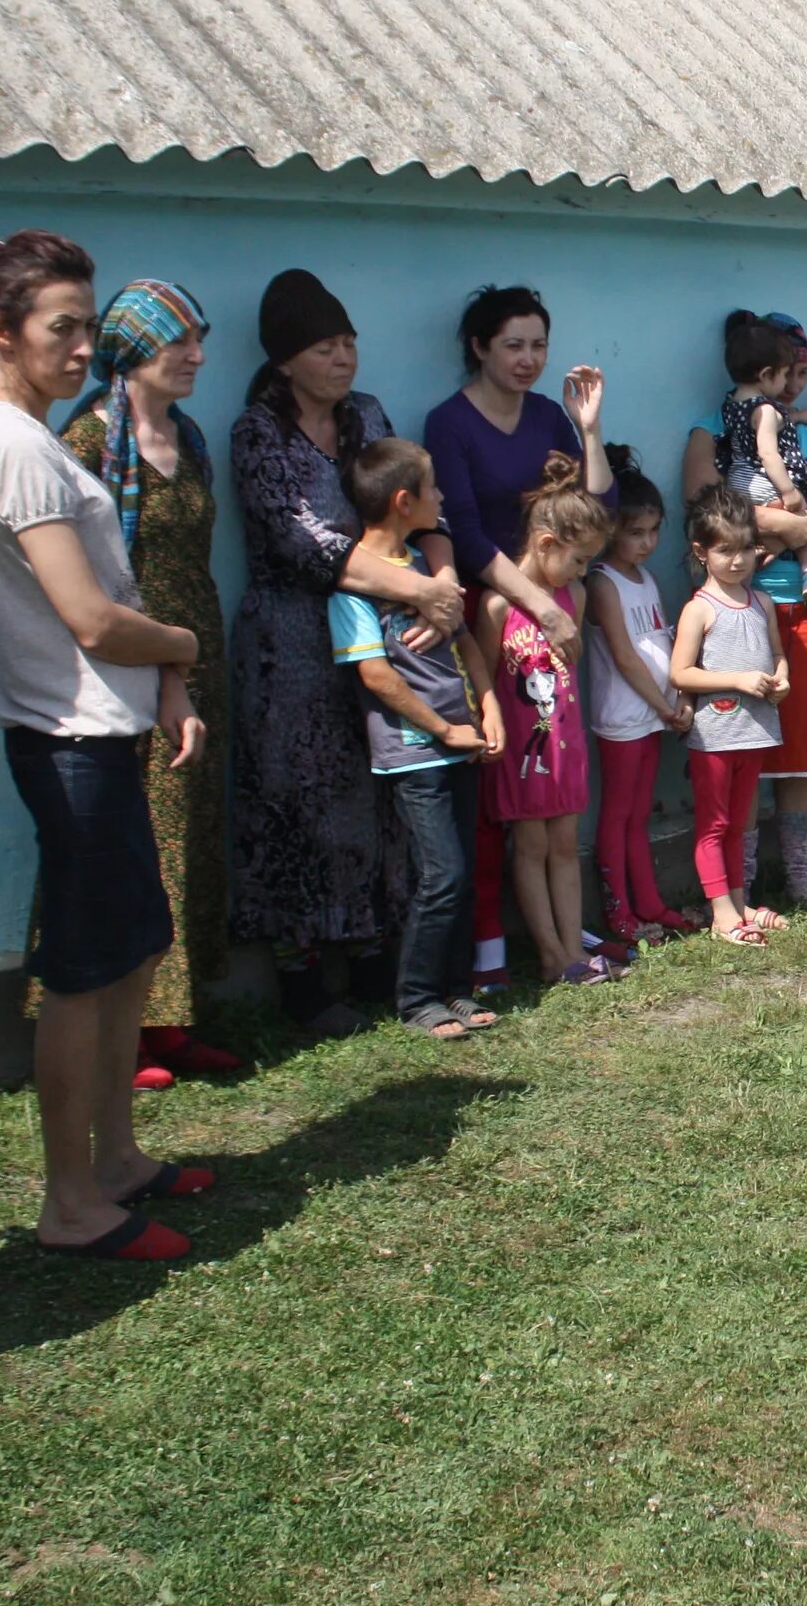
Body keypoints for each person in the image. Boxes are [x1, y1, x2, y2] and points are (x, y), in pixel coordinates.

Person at [0, 228, 210, 1264]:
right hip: (68, 738)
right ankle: (71, 1198)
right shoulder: (11, 446)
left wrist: (168, 679)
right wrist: (182, 644)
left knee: (134, 946)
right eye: (64, 326)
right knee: (87, 969)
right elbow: (94, 617)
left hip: (108, 726)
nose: (82, 344)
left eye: (89, 324)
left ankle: (118, 1157)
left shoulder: (42, 440)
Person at [231, 268, 464, 1037]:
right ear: (286, 359)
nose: (343, 358)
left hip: (385, 625)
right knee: (299, 800)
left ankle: (373, 959)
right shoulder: (258, 432)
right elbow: (304, 542)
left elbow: (416, 498)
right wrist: (421, 594)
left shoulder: (367, 415)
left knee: (377, 799)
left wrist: (443, 578)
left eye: (349, 342)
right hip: (291, 642)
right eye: (325, 346)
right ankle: (302, 977)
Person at [55, 279, 240, 1088]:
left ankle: (172, 1017)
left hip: (198, 655)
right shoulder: (88, 442)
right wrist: (160, 663)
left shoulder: (187, 435)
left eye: (199, 339)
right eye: (180, 343)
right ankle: (121, 1033)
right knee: (136, 846)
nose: (197, 356)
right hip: (124, 667)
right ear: (132, 351)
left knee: (191, 833)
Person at [418, 286, 612, 990]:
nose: (528, 359)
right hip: (494, 607)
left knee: (552, 811)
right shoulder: (449, 423)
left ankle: (562, 939)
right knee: (497, 802)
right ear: (478, 346)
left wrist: (588, 431)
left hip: (551, 604)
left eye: (538, 345)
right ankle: (494, 944)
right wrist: (533, 600)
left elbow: (595, 510)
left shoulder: (547, 418)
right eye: (512, 345)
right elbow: (462, 531)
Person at [681, 312, 807, 908]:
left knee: (805, 753)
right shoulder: (711, 429)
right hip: (741, 606)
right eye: (787, 372)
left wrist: (787, 527)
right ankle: (743, 880)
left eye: (803, 372)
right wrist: (792, 523)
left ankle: (800, 873)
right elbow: (705, 502)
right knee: (741, 751)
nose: (794, 384)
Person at [331, 439, 503, 1040]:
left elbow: (466, 644)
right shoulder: (356, 587)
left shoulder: (427, 569)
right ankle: (417, 999)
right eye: (434, 489)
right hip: (415, 752)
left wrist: (488, 706)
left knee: (461, 868)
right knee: (442, 875)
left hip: (462, 742)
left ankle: (456, 990)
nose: (443, 498)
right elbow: (374, 674)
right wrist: (443, 728)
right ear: (405, 502)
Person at [483, 458, 619, 984]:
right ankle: (548, 953)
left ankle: (572, 947)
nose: (583, 572)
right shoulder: (498, 606)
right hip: (521, 751)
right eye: (579, 560)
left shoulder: (576, 597)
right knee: (532, 846)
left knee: (565, 845)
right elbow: (487, 677)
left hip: (565, 744)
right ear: (544, 544)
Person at [585, 447, 697, 944]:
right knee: (618, 814)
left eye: (654, 531)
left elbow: (662, 644)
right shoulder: (603, 583)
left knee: (640, 810)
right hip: (626, 716)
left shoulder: (647, 579)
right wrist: (662, 704)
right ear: (610, 529)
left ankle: (648, 902)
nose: (648, 542)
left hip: (654, 713)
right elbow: (626, 657)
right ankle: (619, 912)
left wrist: (677, 700)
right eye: (636, 532)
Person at [670, 485, 789, 946]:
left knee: (742, 824)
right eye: (725, 551)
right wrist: (738, 680)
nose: (737, 561)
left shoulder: (762, 603)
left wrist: (782, 678)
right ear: (702, 552)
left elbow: (779, 654)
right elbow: (681, 673)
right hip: (715, 735)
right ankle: (721, 913)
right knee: (714, 825)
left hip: (755, 730)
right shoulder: (699, 609)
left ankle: (741, 905)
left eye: (745, 549)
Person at [713, 309, 807, 606]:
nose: (789, 384)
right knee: (803, 516)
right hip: (764, 483)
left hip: (739, 485)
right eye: (784, 374)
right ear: (766, 375)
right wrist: (789, 492)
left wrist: (797, 416)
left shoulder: (733, 404)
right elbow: (767, 451)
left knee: (750, 543)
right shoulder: (766, 411)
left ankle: (739, 593)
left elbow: (773, 419)